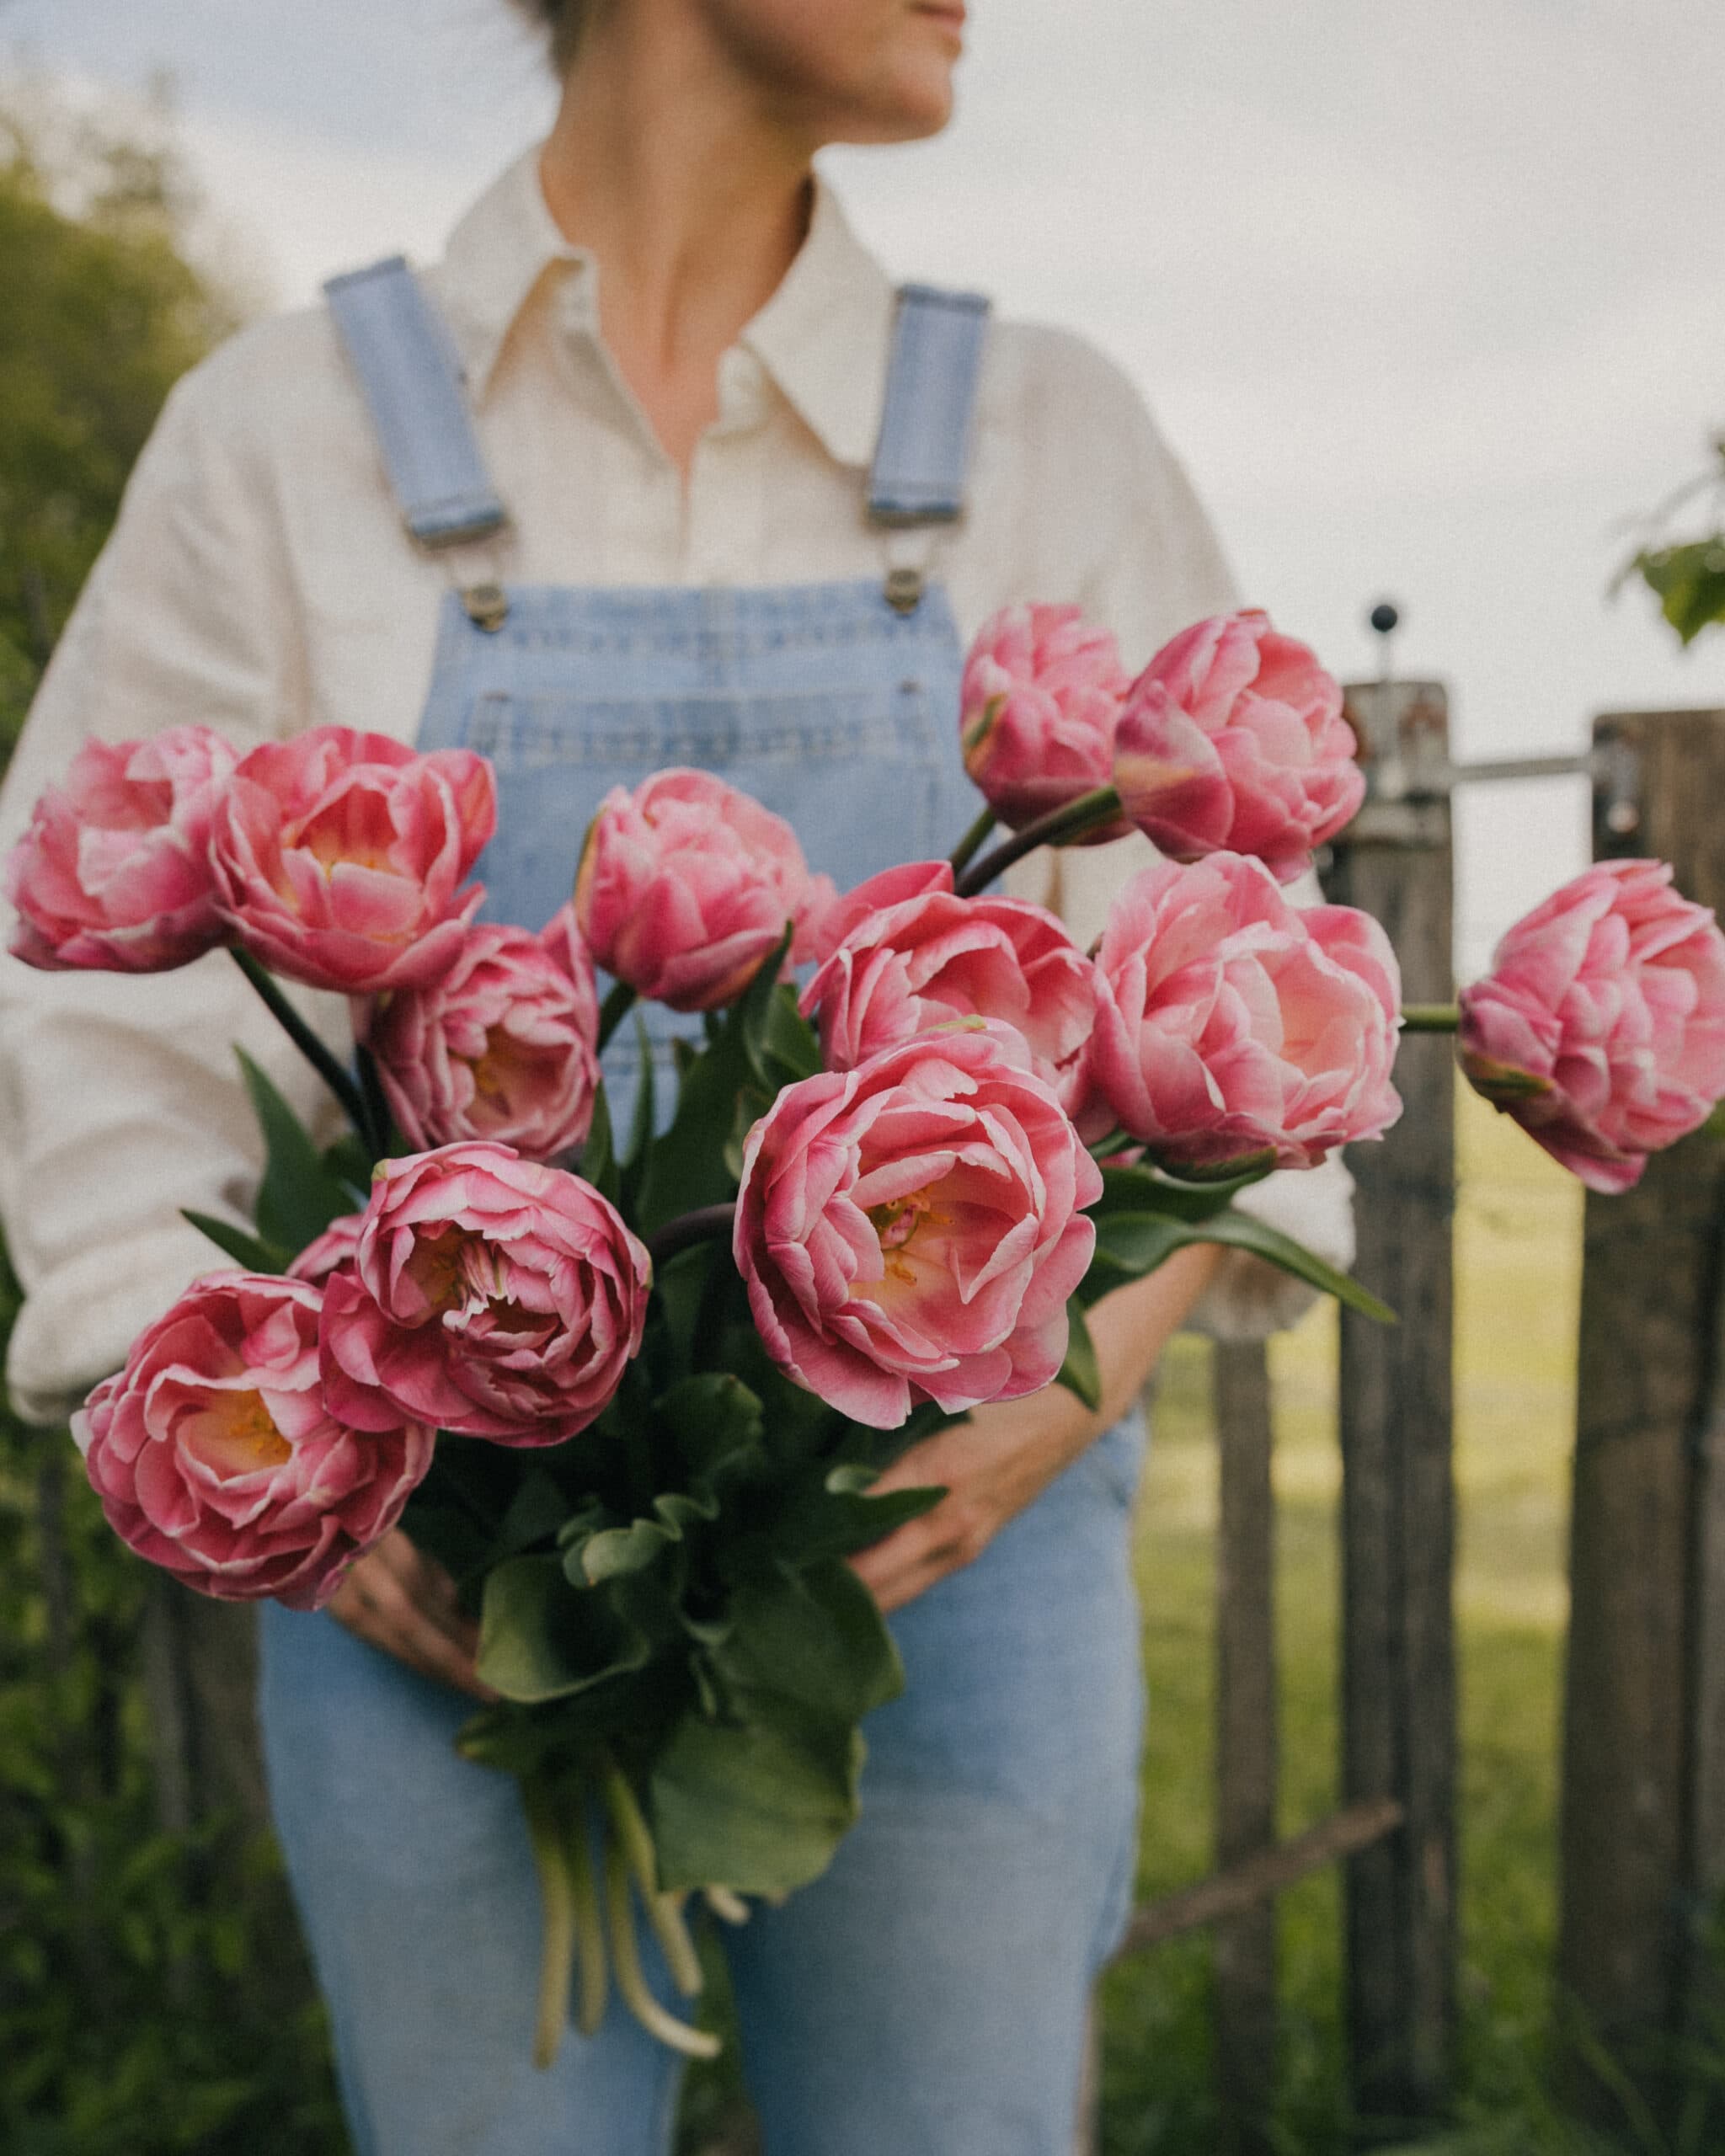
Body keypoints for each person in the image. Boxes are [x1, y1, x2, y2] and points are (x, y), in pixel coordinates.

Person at [0, 3, 1354, 2151]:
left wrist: (1048, 1409)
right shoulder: (284, 433)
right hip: (431, 1581)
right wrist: (266, 1455)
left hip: (951, 1561)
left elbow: (1265, 1001)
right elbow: (96, 1017)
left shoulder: (1043, 430)